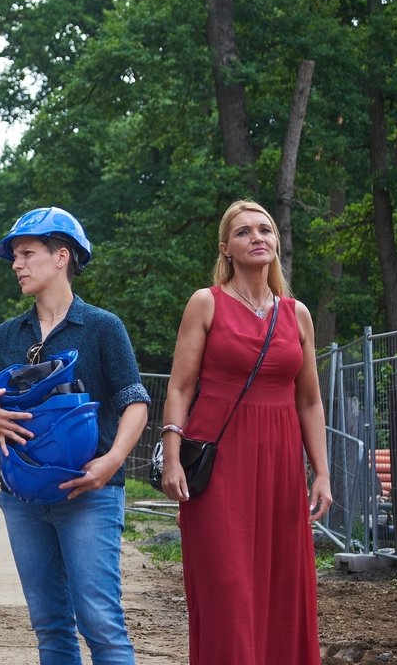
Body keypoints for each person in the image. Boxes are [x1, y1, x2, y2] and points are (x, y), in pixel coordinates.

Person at [0, 206, 149, 665]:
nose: (17, 264)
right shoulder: (7, 335)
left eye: (27, 253)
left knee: (101, 623)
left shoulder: (103, 327)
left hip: (90, 493)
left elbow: (135, 402)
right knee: (49, 626)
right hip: (22, 498)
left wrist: (112, 462)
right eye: (14, 256)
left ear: (62, 256)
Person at [158, 199, 331, 664]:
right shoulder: (206, 303)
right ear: (226, 249)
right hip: (219, 468)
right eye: (243, 231)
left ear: (276, 242)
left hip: (280, 470)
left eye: (265, 229)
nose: (257, 237)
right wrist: (172, 458)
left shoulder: (297, 314)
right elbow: (180, 388)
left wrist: (321, 474)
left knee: (283, 588)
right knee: (228, 591)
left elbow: (309, 401)